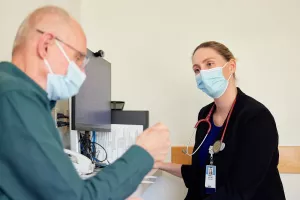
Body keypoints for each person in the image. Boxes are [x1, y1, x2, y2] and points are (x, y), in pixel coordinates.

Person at [0, 6, 170, 200]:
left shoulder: (15, 95)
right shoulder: (15, 98)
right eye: (78, 58)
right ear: (45, 45)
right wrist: (144, 153)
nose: (82, 73)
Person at [154, 41, 286, 200]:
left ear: (231, 67)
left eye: (209, 64)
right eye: (197, 69)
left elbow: (240, 190)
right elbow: (199, 174)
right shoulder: (205, 115)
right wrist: (157, 164)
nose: (202, 73)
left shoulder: (256, 117)